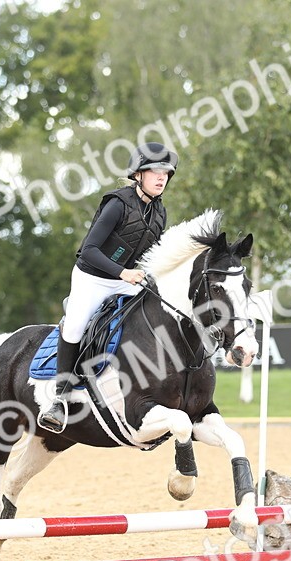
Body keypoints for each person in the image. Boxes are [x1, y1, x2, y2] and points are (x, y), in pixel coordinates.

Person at [37, 141, 178, 433]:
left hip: (125, 281)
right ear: (138, 174)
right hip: (92, 277)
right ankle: (60, 400)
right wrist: (123, 272)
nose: (161, 177)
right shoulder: (118, 204)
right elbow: (87, 251)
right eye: (154, 171)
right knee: (75, 326)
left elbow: (151, 256)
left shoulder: (159, 213)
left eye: (165, 172)